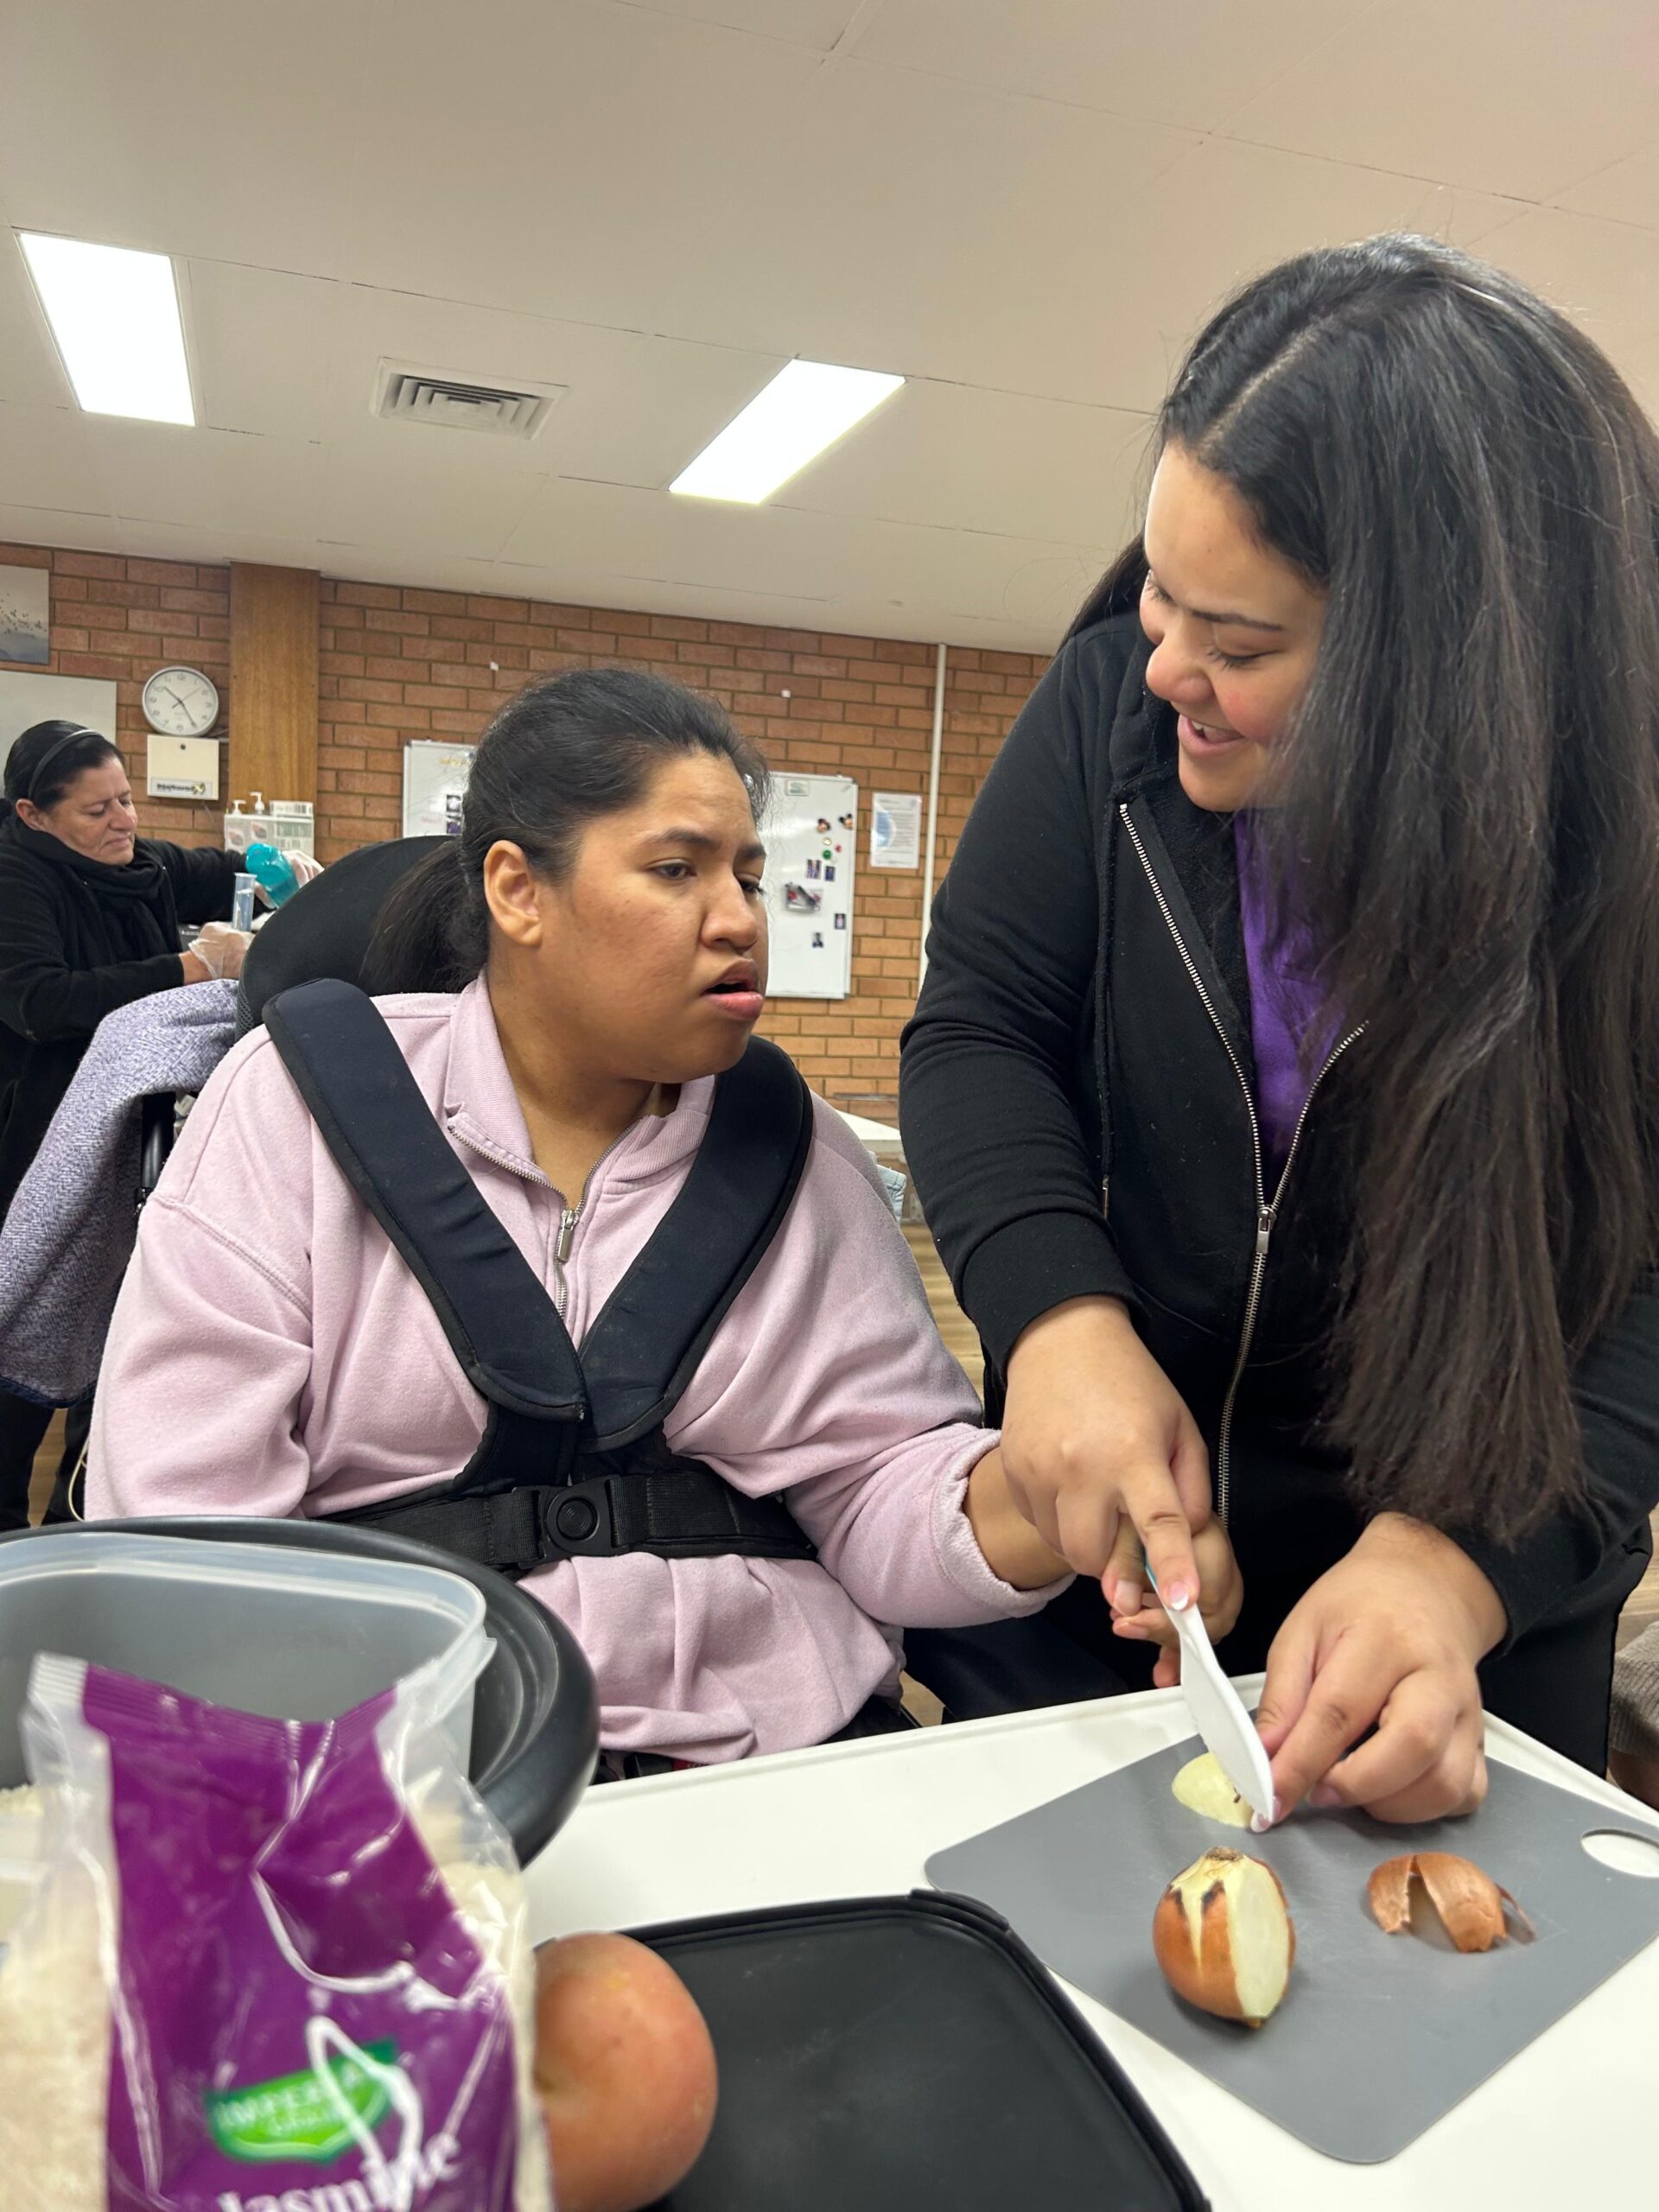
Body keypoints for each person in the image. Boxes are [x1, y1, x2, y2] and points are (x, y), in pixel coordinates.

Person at [901, 234, 1659, 1825]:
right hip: (1119, 1576)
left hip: (1466, 1630)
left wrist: (1456, 1569)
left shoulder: (1623, 864)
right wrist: (1059, 1324)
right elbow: (981, 1031)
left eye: (1240, 647)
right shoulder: (1109, 713)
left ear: (1448, 681)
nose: (1166, 667)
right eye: (1159, 592)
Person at [87, 669, 1073, 1767]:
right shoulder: (290, 1111)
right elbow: (186, 1534)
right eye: (676, 870)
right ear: (518, 891)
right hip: (408, 1772)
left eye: (749, 877)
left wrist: (1044, 1502)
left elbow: (872, 1488)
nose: (740, 920)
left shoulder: (802, 1155)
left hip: (772, 1766)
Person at [0, 721, 270, 1529]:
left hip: (126, 1158)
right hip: (33, 1152)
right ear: (33, 815)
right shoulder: (15, 879)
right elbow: (41, 1002)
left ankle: (84, 1530)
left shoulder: (140, 867)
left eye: (126, 799)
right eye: (97, 811)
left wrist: (283, 873)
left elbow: (220, 870)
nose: (123, 820)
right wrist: (194, 967)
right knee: (20, 1355)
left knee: (113, 1357)